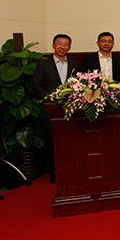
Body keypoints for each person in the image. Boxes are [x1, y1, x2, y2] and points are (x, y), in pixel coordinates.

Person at [33, 34, 79, 182]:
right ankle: (54, 173)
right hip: (50, 110)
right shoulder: (43, 64)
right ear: (53, 46)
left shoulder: (74, 65)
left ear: (69, 47)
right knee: (52, 142)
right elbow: (36, 85)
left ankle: (71, 171)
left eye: (65, 44)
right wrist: (52, 98)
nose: (62, 47)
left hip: (70, 110)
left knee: (70, 143)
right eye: (59, 44)